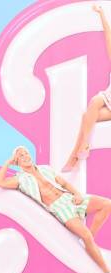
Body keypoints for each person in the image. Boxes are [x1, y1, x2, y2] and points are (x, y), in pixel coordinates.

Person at [0, 146, 111, 273]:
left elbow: (65, 183)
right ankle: (107, 272)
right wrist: (8, 162)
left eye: (26, 153)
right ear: (17, 162)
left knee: (107, 204)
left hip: (69, 198)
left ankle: (90, 242)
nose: (25, 156)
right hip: (59, 208)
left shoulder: (45, 169)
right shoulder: (20, 179)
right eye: (21, 155)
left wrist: (77, 194)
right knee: (85, 236)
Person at [62, 5, 111, 171]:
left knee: (91, 107)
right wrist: (102, 14)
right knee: (89, 112)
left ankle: (77, 154)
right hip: (108, 99)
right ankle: (78, 152)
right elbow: (108, 35)